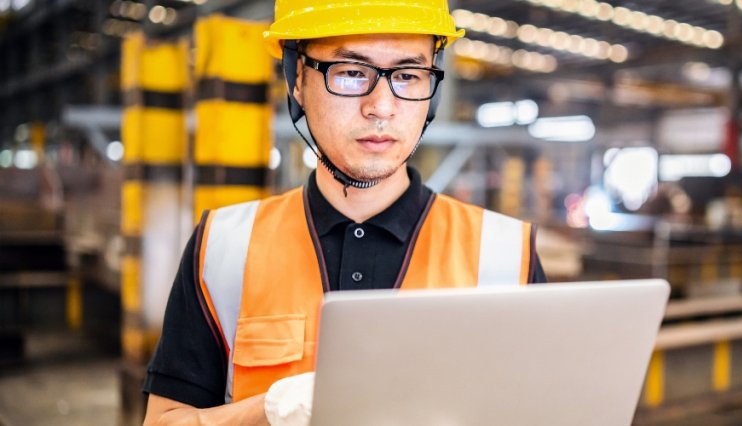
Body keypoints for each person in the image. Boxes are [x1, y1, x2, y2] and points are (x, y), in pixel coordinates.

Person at [141, 0, 546, 424]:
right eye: (352, 73)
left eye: (408, 76)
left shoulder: (504, 258)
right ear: (297, 78)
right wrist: (268, 411)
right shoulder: (224, 247)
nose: (382, 106)